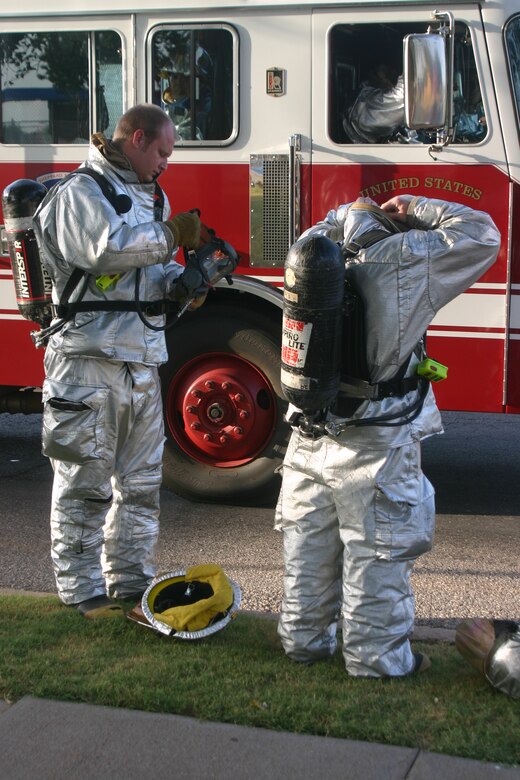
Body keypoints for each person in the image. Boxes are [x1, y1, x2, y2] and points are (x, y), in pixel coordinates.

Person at [276, 194, 501, 677]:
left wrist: (349, 211)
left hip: (308, 434)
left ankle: (304, 641)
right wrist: (415, 207)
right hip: (376, 443)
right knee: (378, 555)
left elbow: (332, 222)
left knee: (307, 549)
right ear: (390, 224)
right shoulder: (407, 257)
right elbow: (483, 233)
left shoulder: (313, 246)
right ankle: (377, 661)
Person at [33, 103, 209, 619]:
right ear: (134, 139)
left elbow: (148, 275)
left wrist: (185, 286)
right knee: (83, 486)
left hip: (140, 363)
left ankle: (130, 584)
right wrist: (172, 236)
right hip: (85, 364)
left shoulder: (152, 198)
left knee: (141, 487)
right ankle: (81, 593)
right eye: (161, 152)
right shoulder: (81, 193)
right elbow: (104, 251)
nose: (165, 165)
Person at [343, 64, 414, 144]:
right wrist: (412, 64)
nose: (394, 77)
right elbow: (404, 97)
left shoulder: (367, 96)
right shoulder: (370, 101)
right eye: (388, 73)